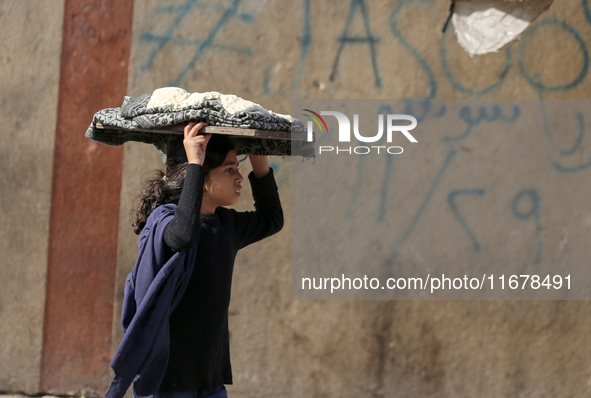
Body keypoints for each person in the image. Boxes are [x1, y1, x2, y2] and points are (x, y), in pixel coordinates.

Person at [109, 121, 284, 398]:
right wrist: (194, 164)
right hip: (167, 380)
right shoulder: (164, 222)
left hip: (210, 378)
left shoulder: (226, 224)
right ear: (200, 180)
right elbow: (183, 237)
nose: (239, 177)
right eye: (229, 169)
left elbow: (272, 220)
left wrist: (258, 159)